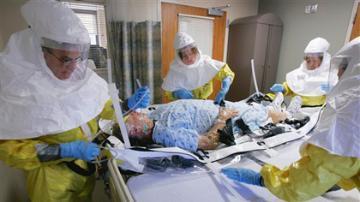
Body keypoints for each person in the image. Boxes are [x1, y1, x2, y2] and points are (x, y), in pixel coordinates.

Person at [0, 0, 150, 201]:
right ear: (41, 50)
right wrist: (60, 151)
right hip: (51, 182)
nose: (73, 67)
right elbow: (8, 149)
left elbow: (103, 109)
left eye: (77, 58)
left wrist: (126, 105)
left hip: (84, 172)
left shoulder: (81, 79)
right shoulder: (20, 89)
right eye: (65, 59)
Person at [221, 37, 360, 201]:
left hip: (314, 115)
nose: (338, 73)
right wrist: (280, 91)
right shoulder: (306, 75)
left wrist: (269, 180)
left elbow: (327, 161)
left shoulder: (350, 109)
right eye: (308, 60)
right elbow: (293, 86)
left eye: (343, 68)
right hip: (299, 113)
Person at [121, 99, 291, 152]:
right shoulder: (165, 134)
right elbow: (208, 142)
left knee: (256, 106)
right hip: (227, 115)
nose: (135, 112)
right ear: (137, 130)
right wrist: (222, 119)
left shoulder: (151, 117)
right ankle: (287, 114)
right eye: (133, 116)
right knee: (263, 114)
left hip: (217, 105)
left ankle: (274, 106)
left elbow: (138, 110)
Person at [162, 32, 235, 104]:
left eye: (191, 53)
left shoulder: (206, 63)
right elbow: (168, 90)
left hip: (203, 103)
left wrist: (226, 83)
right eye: (185, 56)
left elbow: (224, 71)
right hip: (183, 104)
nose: (189, 58)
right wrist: (176, 93)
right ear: (179, 58)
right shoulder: (176, 69)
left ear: (195, 51)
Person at [269, 37, 338, 107]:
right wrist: (283, 88)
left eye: (314, 61)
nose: (311, 64)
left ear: (323, 62)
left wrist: (331, 90)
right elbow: (290, 86)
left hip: (317, 114)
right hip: (296, 112)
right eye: (308, 61)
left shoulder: (328, 78)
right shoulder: (299, 74)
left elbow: (335, 98)